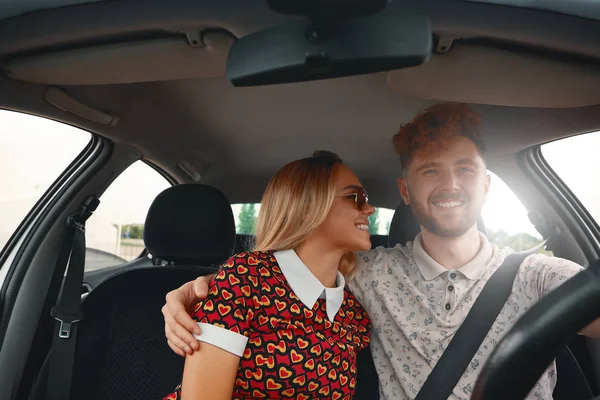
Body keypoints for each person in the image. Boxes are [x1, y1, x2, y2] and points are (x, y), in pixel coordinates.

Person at [163, 103, 600, 399]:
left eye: (465, 169)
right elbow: (283, 273)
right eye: (432, 170)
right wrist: (198, 291)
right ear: (406, 190)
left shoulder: (538, 275)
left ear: (486, 185)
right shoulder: (371, 276)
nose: (450, 184)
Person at [162, 151, 372, 400]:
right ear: (309, 206)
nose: (369, 209)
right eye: (356, 197)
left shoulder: (353, 314)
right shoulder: (244, 280)